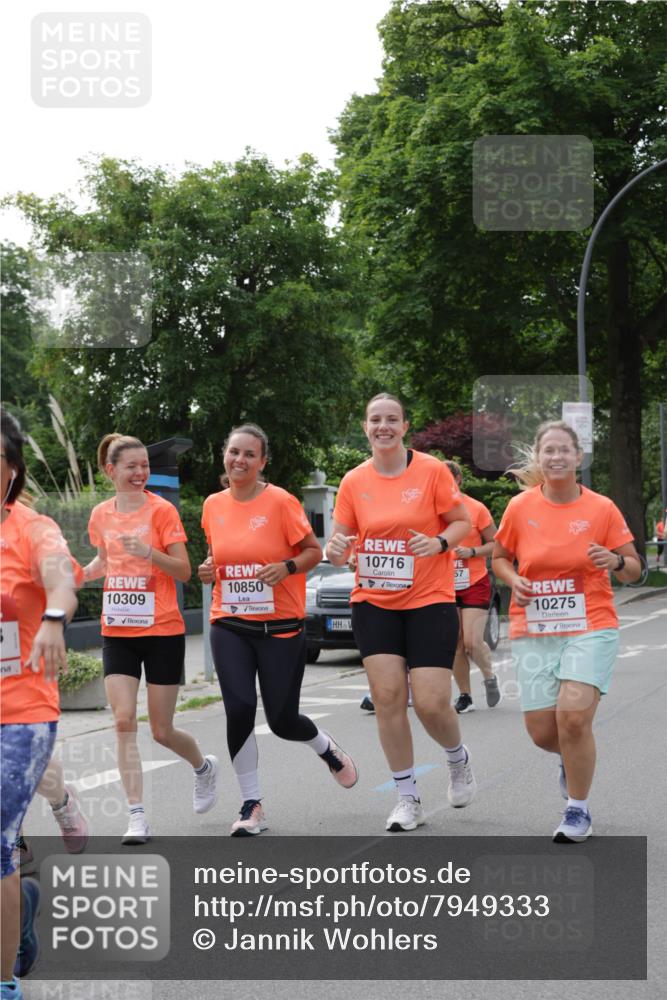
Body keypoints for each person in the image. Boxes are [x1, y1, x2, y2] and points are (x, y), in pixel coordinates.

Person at [199, 423, 357, 837]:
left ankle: (325, 747)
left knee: (283, 719)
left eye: (250, 454)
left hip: (281, 626)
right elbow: (217, 557)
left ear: (262, 462)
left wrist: (286, 567)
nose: (240, 460)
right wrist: (207, 569)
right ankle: (252, 803)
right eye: (234, 452)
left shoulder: (281, 502)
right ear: (224, 455)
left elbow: (312, 552)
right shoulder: (213, 504)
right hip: (229, 621)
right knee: (238, 708)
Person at [328, 393, 476, 833]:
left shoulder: (430, 471)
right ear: (365, 427)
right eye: (375, 420)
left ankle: (457, 758)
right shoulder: (354, 481)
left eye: (392, 419)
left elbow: (461, 521)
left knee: (431, 704)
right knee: (389, 698)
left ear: (405, 426)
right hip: (374, 602)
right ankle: (407, 797)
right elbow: (341, 542)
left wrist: (440, 543)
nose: (383, 427)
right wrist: (336, 549)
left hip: (429, 598)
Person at [492, 420, 641, 843]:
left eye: (564, 450)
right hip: (535, 628)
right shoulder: (520, 508)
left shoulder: (601, 508)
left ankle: (577, 810)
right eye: (548, 451)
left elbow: (634, 570)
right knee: (544, 732)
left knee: (573, 718)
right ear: (539, 458)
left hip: (590, 624)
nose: (556, 457)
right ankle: (572, 760)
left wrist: (612, 562)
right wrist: (513, 579)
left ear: (579, 457)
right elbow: (500, 557)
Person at [84, 434, 218, 845]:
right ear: (111, 471)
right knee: (123, 720)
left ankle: (202, 766)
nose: (141, 472)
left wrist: (148, 552)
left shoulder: (163, 512)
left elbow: (183, 570)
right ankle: (137, 815)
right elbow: (103, 562)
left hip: (162, 631)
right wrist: (74, 575)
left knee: (161, 730)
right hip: (118, 631)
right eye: (132, 466)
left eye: (145, 465)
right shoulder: (100, 515)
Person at [1, 408, 79, 999]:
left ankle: (5, 985)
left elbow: (59, 576)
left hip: (19, 710)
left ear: (12, 472)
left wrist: (53, 615)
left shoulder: (32, 528)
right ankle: (22, 909)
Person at [443, 461, 500, 714]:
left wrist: (473, 551)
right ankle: (465, 695)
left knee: (472, 641)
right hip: (444, 583)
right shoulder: (432, 511)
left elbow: (497, 545)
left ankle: (489, 676)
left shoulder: (476, 509)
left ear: (458, 480)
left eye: (448, 479)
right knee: (455, 642)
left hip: (474, 581)